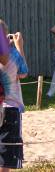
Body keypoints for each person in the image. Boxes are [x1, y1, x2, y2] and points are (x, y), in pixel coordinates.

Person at [0, 22, 25, 170]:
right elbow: (22, 72)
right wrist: (18, 46)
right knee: (6, 158)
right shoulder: (11, 54)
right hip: (10, 107)